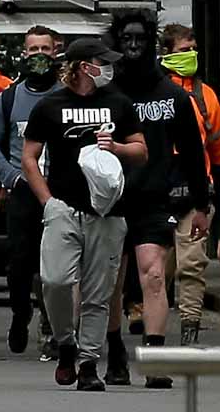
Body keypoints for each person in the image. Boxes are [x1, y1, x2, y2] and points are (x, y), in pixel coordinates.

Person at [22, 37, 148, 391]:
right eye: (100, 62)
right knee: (56, 280)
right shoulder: (50, 106)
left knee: (99, 293)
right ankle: (66, 343)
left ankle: (89, 363)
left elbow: (141, 151)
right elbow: (30, 157)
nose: (108, 68)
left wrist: (119, 147)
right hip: (63, 208)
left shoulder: (119, 103)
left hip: (108, 213)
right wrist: (47, 202)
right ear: (82, 66)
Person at [105, 10, 207, 388]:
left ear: (151, 44)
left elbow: (194, 152)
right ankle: (114, 351)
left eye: (140, 40)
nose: (133, 47)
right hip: (111, 200)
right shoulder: (107, 93)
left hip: (153, 198)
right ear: (116, 43)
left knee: (153, 273)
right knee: (113, 280)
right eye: (126, 40)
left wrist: (202, 204)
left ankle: (156, 357)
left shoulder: (173, 96)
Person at [159, 22, 220, 347]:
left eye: (194, 49)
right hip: (156, 192)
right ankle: (147, 321)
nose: (192, 55)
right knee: (156, 268)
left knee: (192, 265)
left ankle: (189, 330)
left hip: (196, 191)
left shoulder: (204, 95)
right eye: (185, 50)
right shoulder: (153, 92)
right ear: (166, 52)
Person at [0, 25, 62, 355]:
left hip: (60, 191)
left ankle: (52, 322)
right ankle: (20, 313)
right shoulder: (10, 98)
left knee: (55, 263)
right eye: (34, 50)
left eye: (46, 49)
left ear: (55, 52)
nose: (40, 56)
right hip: (23, 191)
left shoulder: (67, 96)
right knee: (19, 260)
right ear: (24, 54)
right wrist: (11, 177)